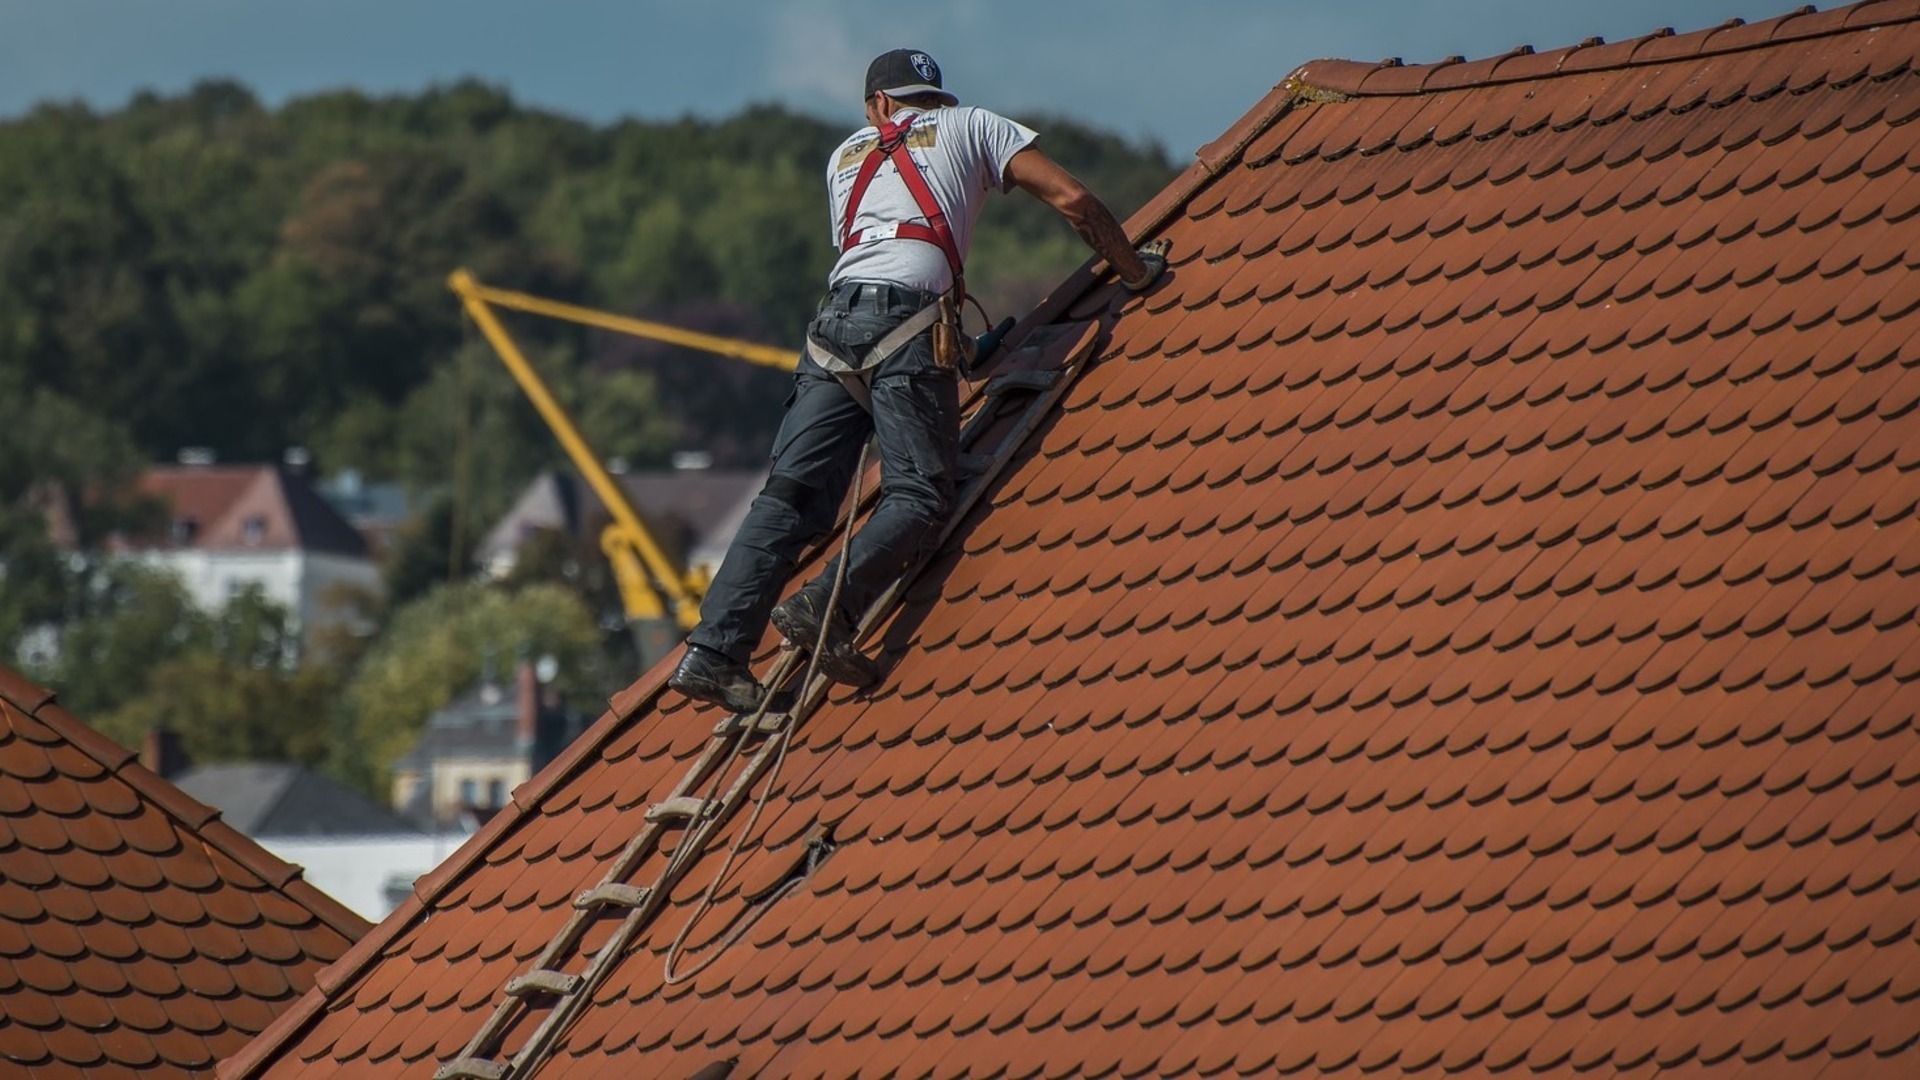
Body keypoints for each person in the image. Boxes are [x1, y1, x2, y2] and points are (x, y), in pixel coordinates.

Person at [669, 47, 1169, 714]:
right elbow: (1072, 199)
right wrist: (1134, 271)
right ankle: (826, 607)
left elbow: (880, 258)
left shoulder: (844, 157)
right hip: (906, 324)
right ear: (934, 99)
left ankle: (712, 653)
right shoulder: (973, 124)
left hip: (831, 332)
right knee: (920, 494)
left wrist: (957, 351)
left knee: (788, 498)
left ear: (878, 105)